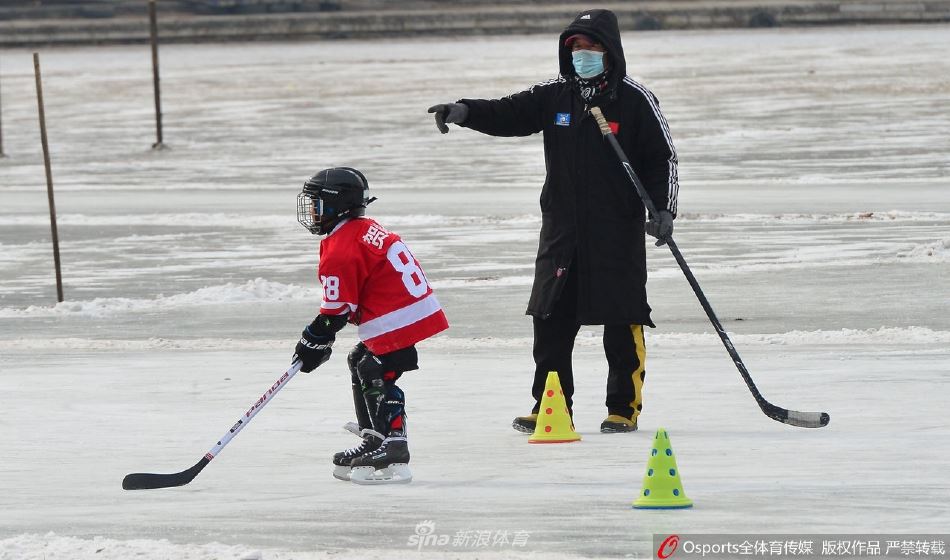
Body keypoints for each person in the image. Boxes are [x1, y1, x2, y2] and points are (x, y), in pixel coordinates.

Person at [427, 9, 678, 434]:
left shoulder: (635, 99)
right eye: (575, 47)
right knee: (551, 322)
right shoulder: (554, 95)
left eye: (590, 46)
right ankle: (551, 406)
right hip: (562, 231)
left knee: (622, 318)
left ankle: (623, 408)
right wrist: (463, 111)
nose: (582, 54)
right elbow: (508, 114)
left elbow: (663, 158)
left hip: (615, 231)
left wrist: (664, 209)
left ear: (610, 50)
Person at [291, 167, 449, 484]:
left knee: (375, 369)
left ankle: (393, 447)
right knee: (360, 360)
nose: (311, 212)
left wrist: (312, 340)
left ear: (337, 206)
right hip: (409, 308)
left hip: (397, 315)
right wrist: (319, 341)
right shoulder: (359, 228)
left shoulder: (341, 248)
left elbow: (335, 313)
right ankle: (375, 438)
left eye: (317, 204)